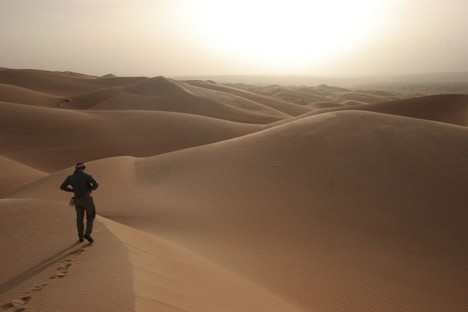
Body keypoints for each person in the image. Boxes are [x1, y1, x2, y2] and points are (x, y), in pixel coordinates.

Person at [60, 162, 99, 243]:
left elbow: (62, 187)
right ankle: (87, 234)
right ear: (83, 168)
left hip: (77, 200)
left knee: (79, 219)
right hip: (87, 200)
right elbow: (96, 184)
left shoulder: (71, 177)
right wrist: (89, 190)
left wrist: (72, 190)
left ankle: (80, 237)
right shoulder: (87, 176)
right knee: (90, 217)